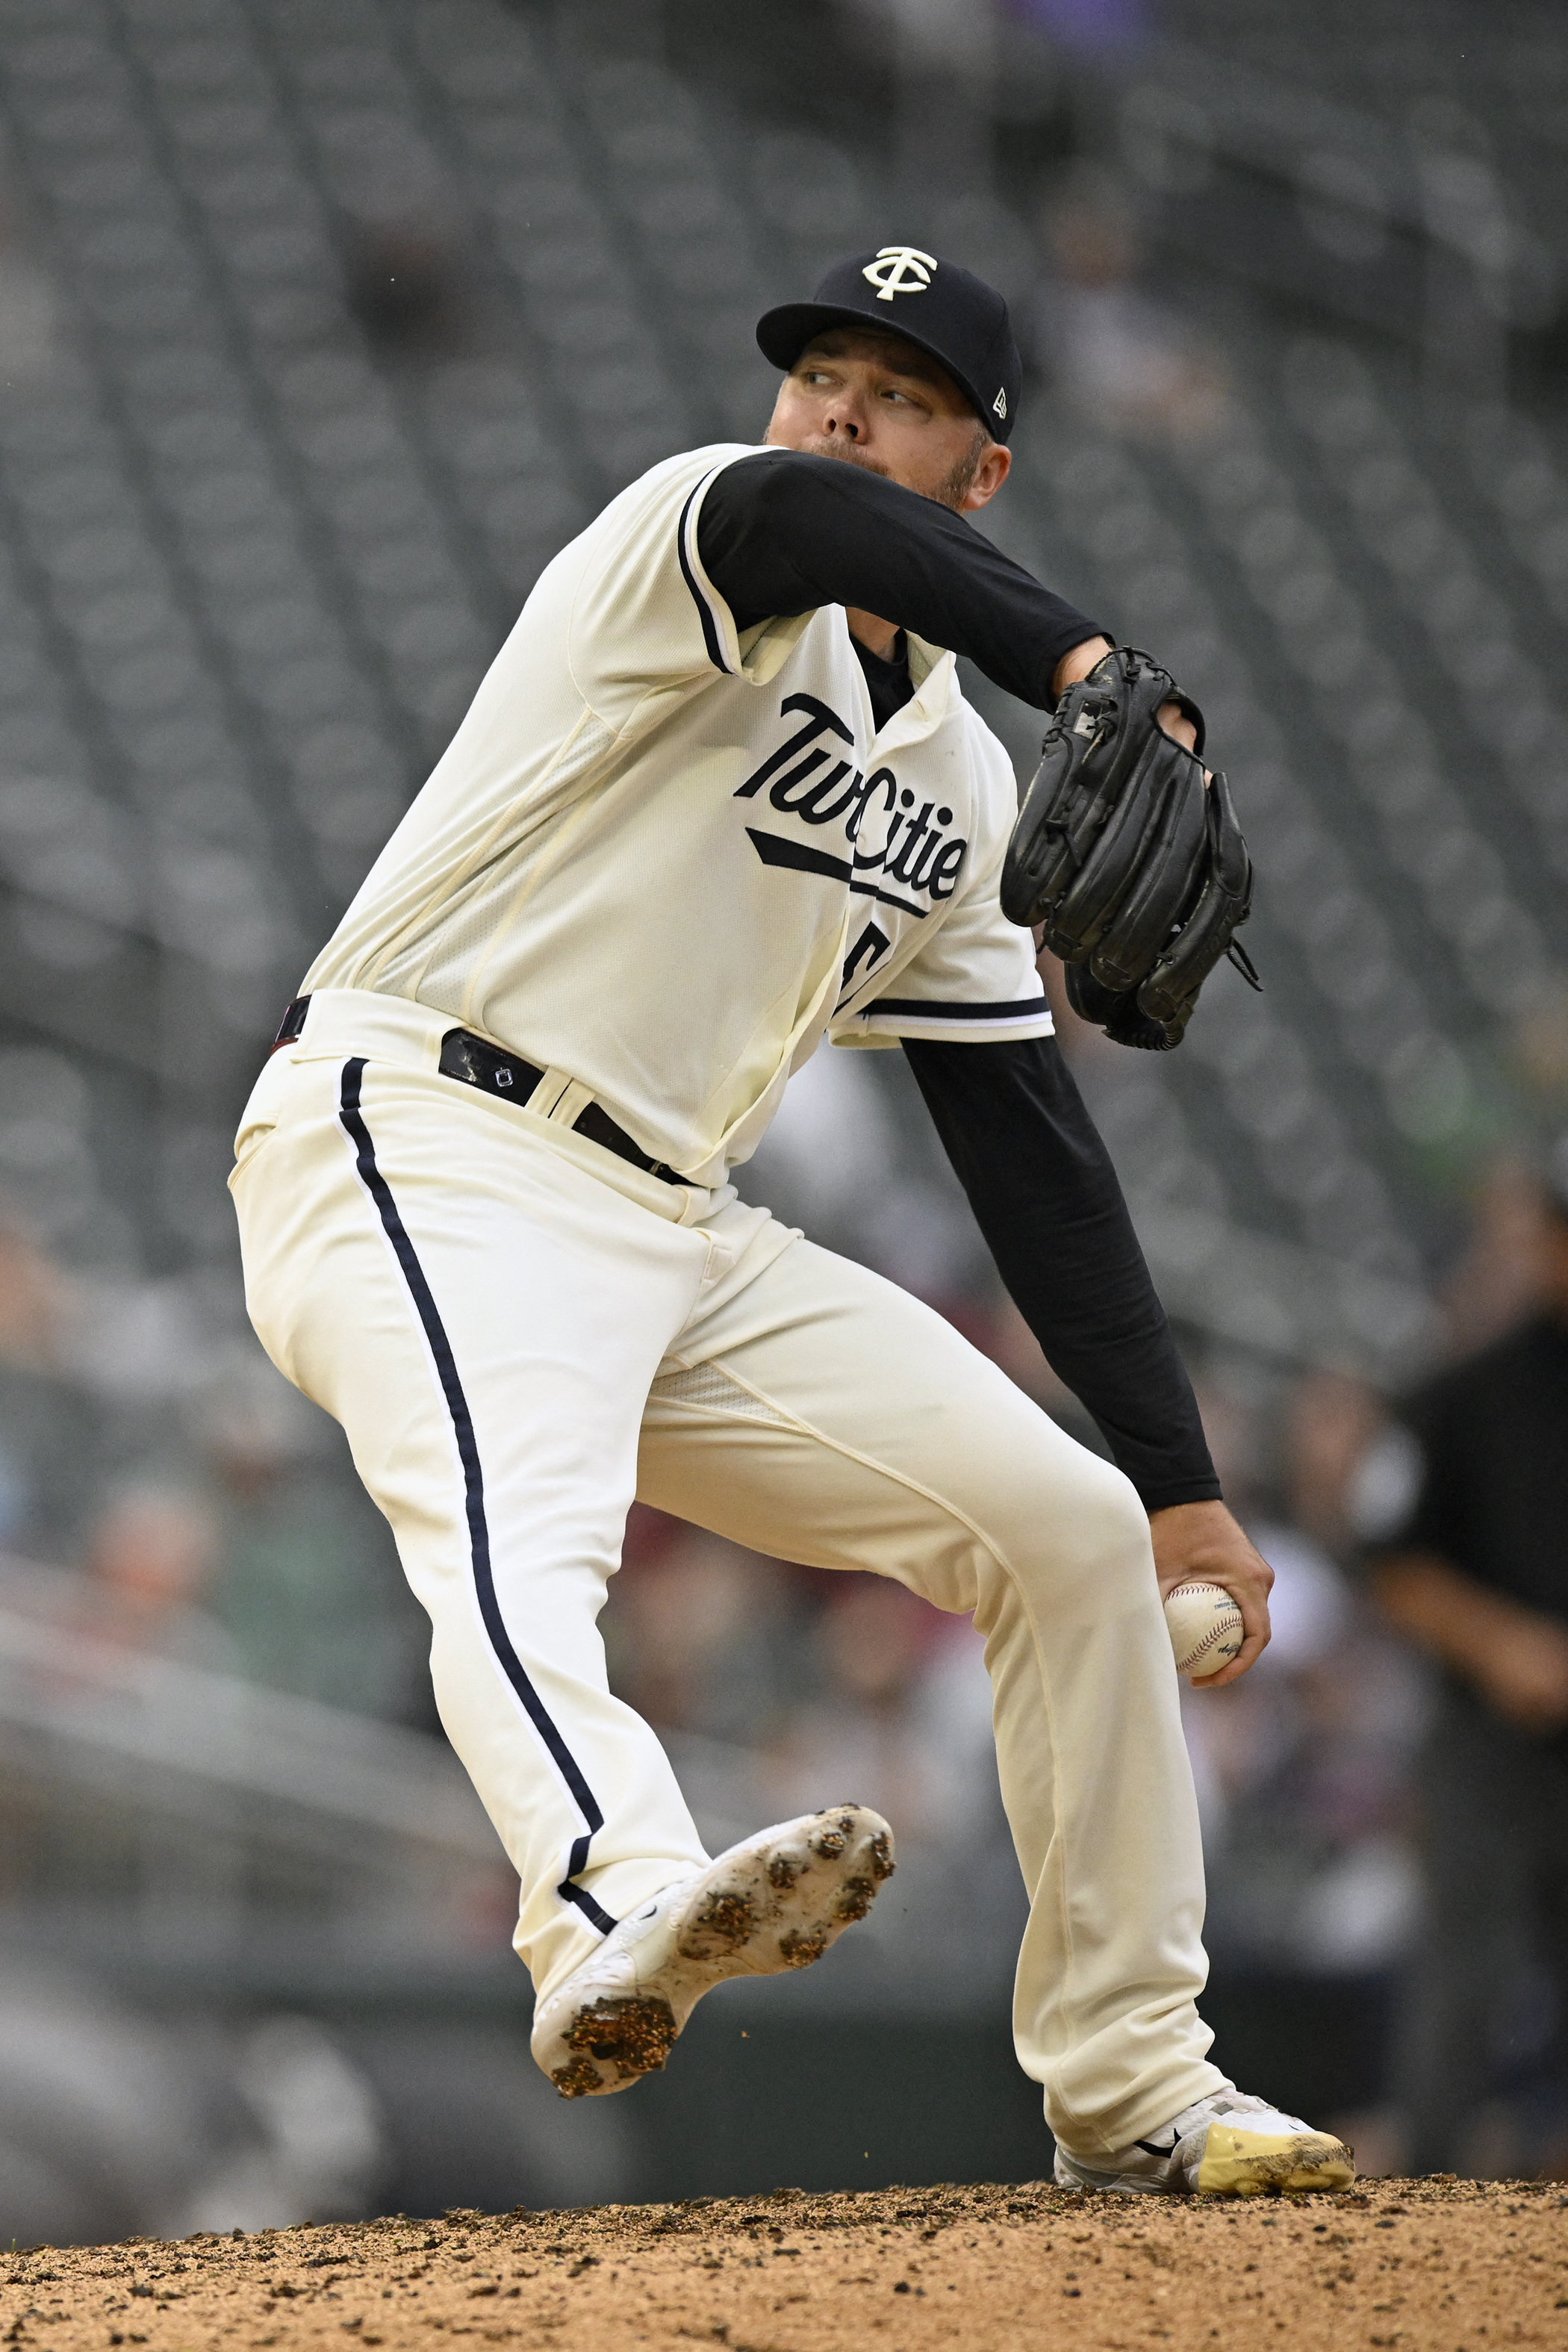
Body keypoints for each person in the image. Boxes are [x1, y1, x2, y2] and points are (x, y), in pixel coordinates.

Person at [230, 247, 1352, 2196]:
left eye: (898, 392)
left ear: (981, 471)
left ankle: (1136, 2080)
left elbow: (1025, 1142)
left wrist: (1175, 1478)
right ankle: (613, 1896)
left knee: (1065, 1531)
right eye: (818, 368)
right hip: (424, 1128)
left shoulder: (960, 780)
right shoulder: (704, 528)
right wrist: (1088, 657)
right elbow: (802, 512)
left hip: (681, 1218)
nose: (837, 406)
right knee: (518, 1527)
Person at [1367, 1140, 1568, 2175]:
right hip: (1491, 1737)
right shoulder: (1464, 1390)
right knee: (1464, 1969)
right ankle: (1425, 2205)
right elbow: (1390, 1557)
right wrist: (1501, 1644)